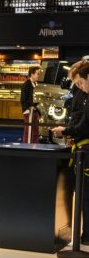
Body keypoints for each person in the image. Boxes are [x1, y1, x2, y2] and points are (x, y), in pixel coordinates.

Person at [52, 60, 89, 245]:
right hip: (81, 146)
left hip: (85, 149)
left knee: (86, 194)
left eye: (80, 83)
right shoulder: (81, 94)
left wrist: (66, 131)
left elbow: (84, 125)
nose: (79, 87)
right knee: (83, 194)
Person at [20, 65, 40, 143]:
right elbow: (23, 99)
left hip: (35, 111)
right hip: (29, 111)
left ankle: (35, 145)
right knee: (28, 131)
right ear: (32, 74)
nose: (38, 75)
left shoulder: (37, 84)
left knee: (35, 131)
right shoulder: (26, 85)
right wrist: (26, 110)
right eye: (37, 73)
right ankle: (26, 146)